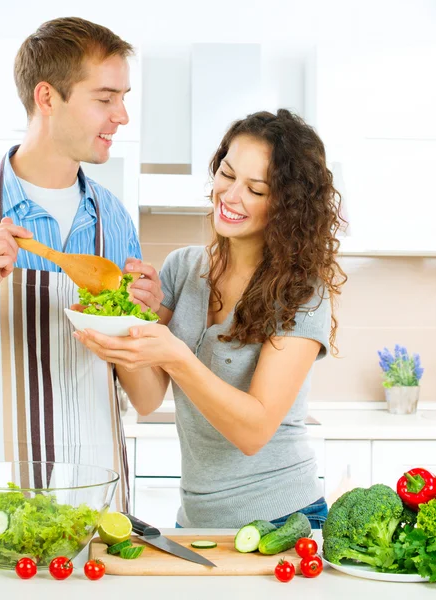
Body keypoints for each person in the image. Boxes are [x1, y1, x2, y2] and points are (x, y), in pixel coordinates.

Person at [0, 17, 162, 510]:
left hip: (94, 496)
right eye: (105, 98)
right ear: (47, 98)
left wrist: (140, 320)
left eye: (123, 97)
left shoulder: (112, 218)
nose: (122, 116)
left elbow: (148, 399)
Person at [75, 109, 347, 528]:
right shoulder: (183, 268)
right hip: (197, 520)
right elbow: (146, 399)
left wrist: (176, 355)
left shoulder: (303, 293)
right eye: (227, 173)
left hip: (282, 520)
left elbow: (253, 432)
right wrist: (129, 321)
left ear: (287, 207)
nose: (231, 195)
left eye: (256, 189)